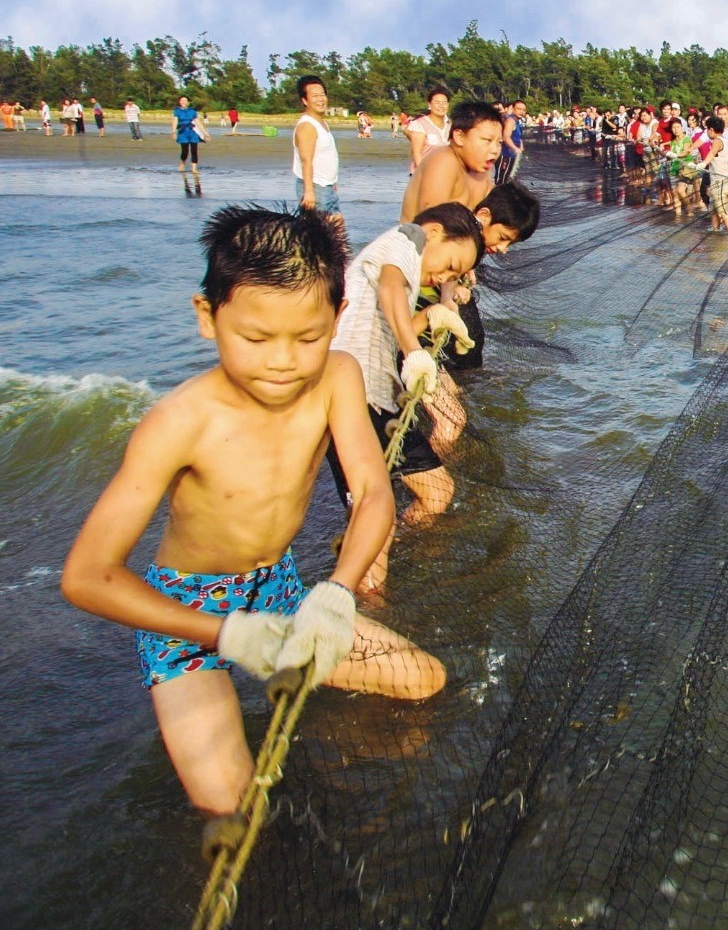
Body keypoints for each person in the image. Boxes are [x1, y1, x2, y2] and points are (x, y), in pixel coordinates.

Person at [59, 207, 445, 816]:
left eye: (308, 338)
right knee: (236, 809)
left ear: (337, 319)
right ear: (207, 318)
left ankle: (305, 720)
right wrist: (229, 634)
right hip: (185, 616)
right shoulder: (178, 423)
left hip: (279, 588)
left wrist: (337, 592)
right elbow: (87, 576)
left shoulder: (337, 377)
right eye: (256, 339)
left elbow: (373, 494)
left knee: (424, 682)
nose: (283, 361)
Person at [330, 203, 486, 592]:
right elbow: (391, 285)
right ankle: (366, 601)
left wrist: (432, 315)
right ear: (434, 233)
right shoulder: (407, 238)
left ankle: (378, 555)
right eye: (450, 264)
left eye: (454, 274)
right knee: (372, 511)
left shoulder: (410, 270)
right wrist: (413, 349)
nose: (446, 276)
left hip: (378, 401)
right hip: (349, 399)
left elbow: (393, 313)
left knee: (438, 493)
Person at [400, 100, 504, 221]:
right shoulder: (444, 162)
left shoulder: (484, 168)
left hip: (461, 235)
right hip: (419, 237)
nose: (495, 150)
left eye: (499, 142)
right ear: (459, 137)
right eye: (487, 140)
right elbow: (432, 223)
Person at [292, 74, 340, 214]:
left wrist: (333, 182)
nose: (320, 99)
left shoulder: (321, 123)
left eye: (322, 94)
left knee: (336, 232)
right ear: (304, 100)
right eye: (314, 96)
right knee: (318, 234)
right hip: (315, 188)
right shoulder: (307, 125)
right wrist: (309, 192)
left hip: (327, 187)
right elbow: (306, 161)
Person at [407, 87, 452, 176]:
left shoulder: (450, 126)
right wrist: (424, 174)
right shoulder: (420, 124)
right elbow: (417, 152)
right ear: (429, 104)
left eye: (444, 103)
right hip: (423, 174)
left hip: (444, 174)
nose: (441, 106)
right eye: (437, 102)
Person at [496, 99, 527, 183]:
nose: (521, 112)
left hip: (512, 155)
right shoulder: (510, 121)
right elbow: (506, 137)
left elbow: (518, 137)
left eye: (524, 110)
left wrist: (521, 146)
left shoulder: (517, 122)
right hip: (505, 155)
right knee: (502, 180)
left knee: (509, 179)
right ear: (513, 109)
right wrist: (515, 148)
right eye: (519, 109)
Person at [173, 95, 203, 173]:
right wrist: (173, 131)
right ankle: (183, 163)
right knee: (184, 151)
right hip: (182, 132)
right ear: (179, 102)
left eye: (185, 100)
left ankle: (194, 168)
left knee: (194, 150)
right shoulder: (177, 111)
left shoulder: (192, 111)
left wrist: (205, 132)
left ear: (188, 102)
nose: (183, 102)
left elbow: (197, 122)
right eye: (181, 100)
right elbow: (175, 121)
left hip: (192, 132)